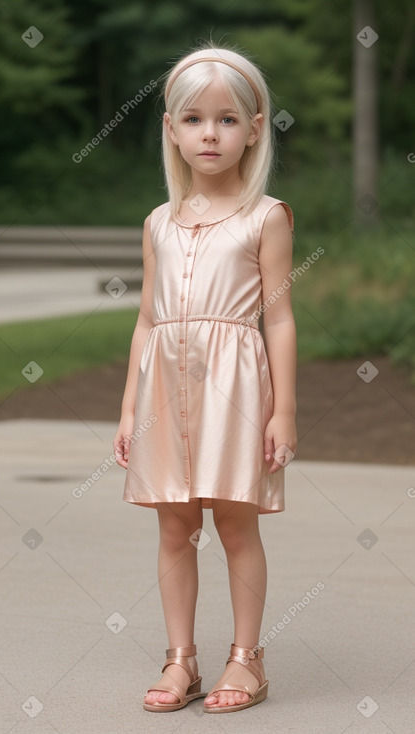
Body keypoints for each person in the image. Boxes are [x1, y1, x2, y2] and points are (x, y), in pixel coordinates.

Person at [113, 42, 297, 714]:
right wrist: (130, 407)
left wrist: (283, 412)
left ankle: (246, 660)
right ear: (170, 129)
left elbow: (277, 321)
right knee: (172, 528)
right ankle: (180, 658)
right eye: (193, 119)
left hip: (236, 395)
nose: (209, 133)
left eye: (226, 119)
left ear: (253, 129)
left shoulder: (264, 216)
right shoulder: (158, 223)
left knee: (235, 526)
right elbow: (145, 321)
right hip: (166, 389)